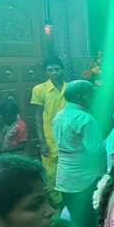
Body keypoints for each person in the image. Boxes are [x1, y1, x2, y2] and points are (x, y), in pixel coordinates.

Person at [52, 81, 106, 227]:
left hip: (65, 176)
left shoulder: (59, 115)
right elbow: (95, 150)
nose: (94, 98)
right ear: (80, 96)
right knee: (90, 223)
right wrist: (110, 143)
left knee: (77, 219)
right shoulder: (85, 118)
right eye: (91, 94)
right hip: (86, 177)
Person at [30, 55, 67, 200]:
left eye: (57, 69)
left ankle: (68, 202)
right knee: (51, 173)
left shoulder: (69, 87)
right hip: (50, 137)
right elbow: (38, 115)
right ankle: (56, 205)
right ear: (46, 72)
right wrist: (42, 140)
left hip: (68, 136)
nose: (54, 73)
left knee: (67, 169)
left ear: (62, 70)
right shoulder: (39, 89)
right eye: (50, 70)